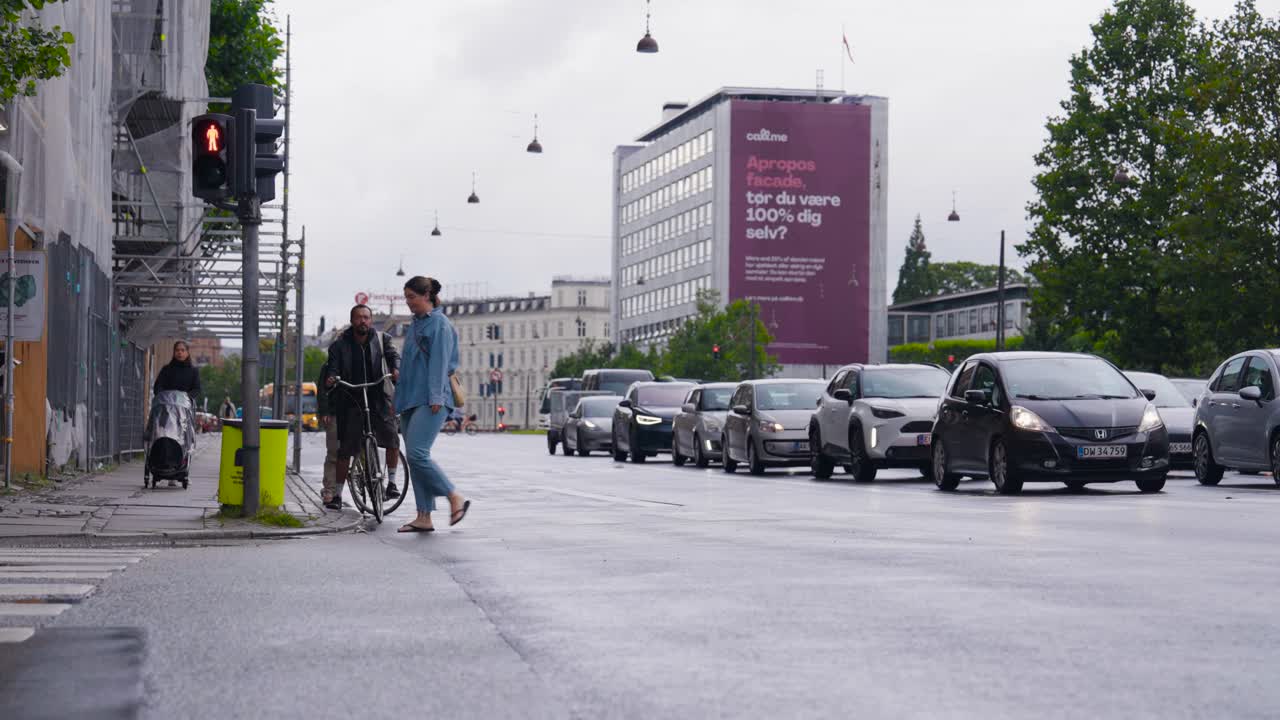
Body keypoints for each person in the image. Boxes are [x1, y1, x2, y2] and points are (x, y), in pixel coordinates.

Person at [396, 276, 469, 533]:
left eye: (412, 297)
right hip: (409, 398)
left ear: (426, 295)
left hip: (431, 399)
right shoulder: (415, 325)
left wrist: (437, 397)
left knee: (417, 454)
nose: (408, 303)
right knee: (415, 459)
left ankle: (453, 497)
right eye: (406, 298)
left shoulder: (439, 324)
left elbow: (439, 363)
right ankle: (423, 516)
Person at [325, 304, 403, 506]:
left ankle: (392, 483)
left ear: (371, 320)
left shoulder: (381, 339)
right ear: (352, 320)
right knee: (345, 450)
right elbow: (332, 366)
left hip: (377, 394)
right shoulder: (339, 344)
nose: (363, 321)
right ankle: (337, 495)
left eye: (367, 317)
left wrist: (395, 368)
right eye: (359, 317)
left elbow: (393, 355)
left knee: (392, 437)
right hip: (351, 398)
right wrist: (332, 377)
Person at [316, 360, 343, 509]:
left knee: (362, 450)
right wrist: (325, 411)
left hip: (353, 411)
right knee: (333, 453)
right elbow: (322, 389)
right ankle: (329, 490)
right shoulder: (328, 366)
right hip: (334, 412)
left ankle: (371, 483)